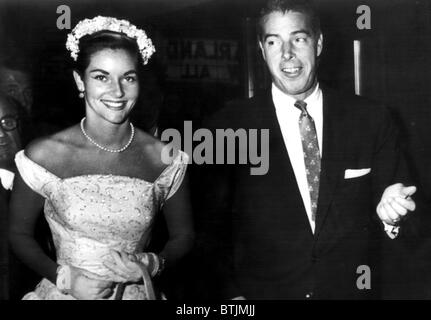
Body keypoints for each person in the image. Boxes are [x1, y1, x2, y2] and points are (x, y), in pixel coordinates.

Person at [201, 0, 417, 299]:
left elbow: (408, 212)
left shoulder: (370, 119)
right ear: (262, 50)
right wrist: (232, 296)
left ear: (318, 44)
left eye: (298, 39)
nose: (287, 53)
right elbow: (209, 230)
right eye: (274, 41)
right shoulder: (228, 126)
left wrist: (392, 216)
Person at [9, 16, 194, 300]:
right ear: (79, 80)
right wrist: (65, 278)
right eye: (101, 77)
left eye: (128, 78)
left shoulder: (166, 158)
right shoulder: (44, 154)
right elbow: (19, 235)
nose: (117, 92)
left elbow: (184, 237)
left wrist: (152, 264)